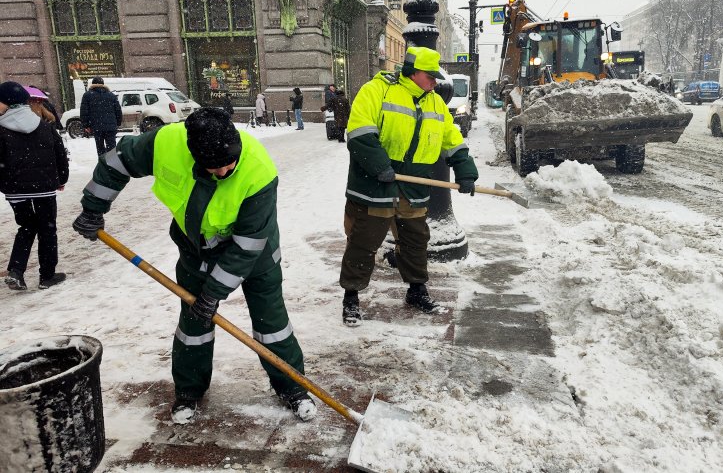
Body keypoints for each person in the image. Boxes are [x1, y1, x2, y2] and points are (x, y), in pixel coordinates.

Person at [72, 107, 316, 424]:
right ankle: (189, 392)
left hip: (255, 255)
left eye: (230, 165)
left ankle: (294, 389)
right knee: (193, 328)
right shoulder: (166, 143)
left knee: (272, 325)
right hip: (195, 251)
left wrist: (214, 292)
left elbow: (248, 245)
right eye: (215, 168)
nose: (225, 172)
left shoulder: (259, 171)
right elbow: (117, 161)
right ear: (194, 155)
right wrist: (93, 208)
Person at [338, 47, 479, 326]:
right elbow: (359, 132)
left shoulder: (435, 103)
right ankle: (351, 296)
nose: (435, 83)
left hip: (412, 187)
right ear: (414, 73)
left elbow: (451, 138)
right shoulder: (377, 90)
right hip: (374, 185)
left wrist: (465, 170)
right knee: (364, 242)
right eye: (430, 76)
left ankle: (417, 290)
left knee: (415, 241)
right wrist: (380, 166)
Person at [0, 81, 69, 291]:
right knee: (48, 229)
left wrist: (5, 184)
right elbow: (60, 155)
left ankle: (16, 271)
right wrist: (61, 179)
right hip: (45, 187)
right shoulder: (45, 127)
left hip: (15, 190)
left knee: (27, 227)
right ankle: (47, 276)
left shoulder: (1, 130)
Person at [80, 76, 122, 156]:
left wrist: (86, 125)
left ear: (92, 84)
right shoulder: (111, 95)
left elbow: (84, 111)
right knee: (112, 147)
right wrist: (118, 123)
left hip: (97, 126)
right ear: (103, 84)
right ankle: (112, 165)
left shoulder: (87, 95)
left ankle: (102, 163)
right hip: (111, 127)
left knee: (100, 147)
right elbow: (118, 110)